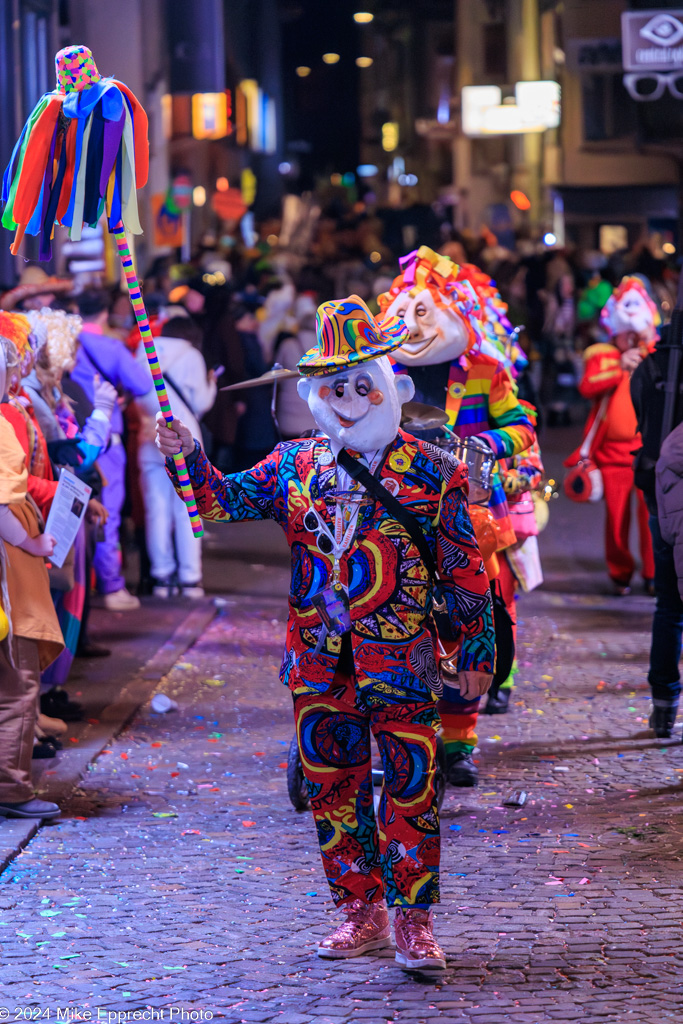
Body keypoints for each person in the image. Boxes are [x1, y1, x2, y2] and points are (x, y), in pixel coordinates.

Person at [156, 296, 495, 972]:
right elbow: (218, 500)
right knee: (332, 788)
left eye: (359, 385)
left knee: (413, 785)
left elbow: (464, 564)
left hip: (411, 657)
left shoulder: (435, 471)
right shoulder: (292, 466)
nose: (346, 399)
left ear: (389, 390)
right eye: (332, 388)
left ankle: (413, 921)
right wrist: (187, 452)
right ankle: (359, 913)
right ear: (314, 394)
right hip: (316, 660)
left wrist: (477, 649)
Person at [378, 246, 536, 785]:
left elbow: (523, 426)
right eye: (404, 310)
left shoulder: (486, 370)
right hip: (398, 517)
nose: (412, 323)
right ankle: (405, 726)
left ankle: (459, 741)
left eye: (425, 311)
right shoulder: (379, 371)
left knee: (468, 621)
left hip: (470, 520)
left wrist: (481, 442)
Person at [0, 335, 63, 820]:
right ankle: (12, 789)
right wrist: (30, 542)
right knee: (15, 684)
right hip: (7, 578)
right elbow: (2, 500)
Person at [568, 276, 657, 595]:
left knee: (652, 518)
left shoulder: (655, 351)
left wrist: (647, 346)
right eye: (626, 333)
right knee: (617, 519)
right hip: (612, 455)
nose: (631, 338)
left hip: (649, 450)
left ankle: (653, 574)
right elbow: (588, 386)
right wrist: (620, 366)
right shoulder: (602, 353)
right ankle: (620, 572)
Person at [70, 289, 151, 611]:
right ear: (104, 313)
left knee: (76, 511)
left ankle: (79, 587)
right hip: (106, 441)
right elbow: (144, 385)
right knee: (107, 513)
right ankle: (111, 586)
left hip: (70, 437)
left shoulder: (64, 344)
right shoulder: (111, 346)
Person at [136, 316, 216, 597]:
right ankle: (190, 578)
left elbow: (138, 394)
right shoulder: (192, 354)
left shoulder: (145, 349)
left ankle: (161, 577)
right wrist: (212, 383)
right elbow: (201, 403)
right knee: (187, 510)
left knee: (156, 509)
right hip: (184, 442)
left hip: (150, 436)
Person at [631, 321, 683, 738]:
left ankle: (664, 705)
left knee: (669, 604)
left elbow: (641, 419)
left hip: (657, 493)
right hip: (666, 488)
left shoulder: (647, 368)